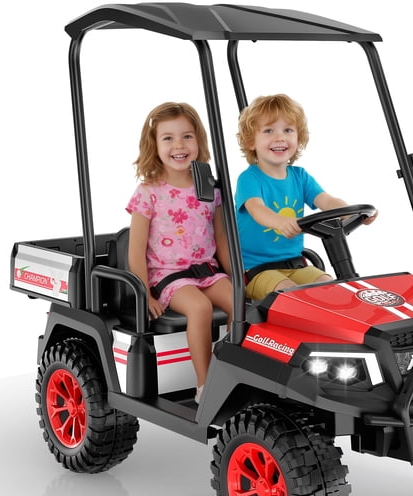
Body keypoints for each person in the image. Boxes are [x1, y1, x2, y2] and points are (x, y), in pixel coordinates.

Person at [126, 102, 232, 404]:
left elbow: (221, 237)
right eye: (168, 138)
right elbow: (136, 250)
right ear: (155, 145)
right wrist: (145, 294)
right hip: (169, 276)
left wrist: (238, 275)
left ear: (198, 140)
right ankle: (205, 386)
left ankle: (232, 371)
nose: (179, 145)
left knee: (240, 302)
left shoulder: (210, 190)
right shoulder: (149, 192)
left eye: (187, 136)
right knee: (200, 308)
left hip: (208, 271)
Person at [235, 93, 378, 301]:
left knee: (333, 288)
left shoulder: (300, 177)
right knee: (292, 295)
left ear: (298, 138)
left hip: (297, 265)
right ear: (251, 142)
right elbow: (257, 209)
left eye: (288, 130)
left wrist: (351, 212)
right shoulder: (249, 178)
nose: (280, 137)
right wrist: (281, 222)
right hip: (256, 270)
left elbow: (327, 201)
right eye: (268, 131)